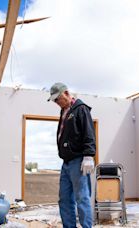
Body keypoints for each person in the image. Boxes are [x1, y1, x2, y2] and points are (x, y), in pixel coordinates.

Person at [48, 82, 96, 228]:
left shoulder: (80, 109)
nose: (57, 102)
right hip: (66, 162)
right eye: (55, 100)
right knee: (64, 199)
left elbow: (89, 133)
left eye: (58, 99)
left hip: (78, 161)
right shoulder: (64, 111)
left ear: (67, 93)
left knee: (82, 198)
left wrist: (88, 155)